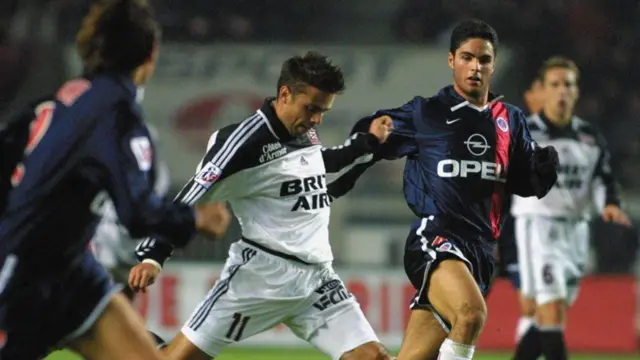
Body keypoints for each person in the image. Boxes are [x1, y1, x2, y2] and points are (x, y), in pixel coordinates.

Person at [129, 51, 395, 360]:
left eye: (323, 111)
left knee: (374, 358)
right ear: (285, 94)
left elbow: (318, 164)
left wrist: (368, 142)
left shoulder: (303, 129)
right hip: (260, 277)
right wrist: (153, 255)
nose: (316, 119)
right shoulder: (243, 143)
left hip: (317, 281)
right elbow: (191, 195)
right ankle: (128, 344)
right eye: (311, 108)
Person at [0, 1, 228, 359]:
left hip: (72, 269)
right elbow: (137, 212)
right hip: (22, 275)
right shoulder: (116, 115)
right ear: (150, 54)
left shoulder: (60, 103)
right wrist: (197, 218)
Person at [326, 19, 559, 360]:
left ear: (493, 64)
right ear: (452, 60)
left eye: (483, 59)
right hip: (435, 236)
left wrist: (543, 172)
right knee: (471, 314)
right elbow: (375, 134)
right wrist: (371, 131)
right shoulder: (427, 113)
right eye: (467, 57)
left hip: (480, 252)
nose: (475, 67)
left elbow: (523, 181)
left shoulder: (510, 119)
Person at [510, 56, 631, 360]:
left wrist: (611, 204)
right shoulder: (525, 133)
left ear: (577, 92)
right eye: (555, 84)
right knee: (551, 310)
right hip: (539, 227)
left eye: (568, 84)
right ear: (543, 90)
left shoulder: (590, 137)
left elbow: (603, 178)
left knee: (550, 313)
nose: (562, 90)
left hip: (577, 231)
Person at [495, 76, 546, 344]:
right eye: (544, 88)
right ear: (530, 96)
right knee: (530, 304)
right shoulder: (515, 133)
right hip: (513, 233)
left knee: (539, 307)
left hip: (549, 236)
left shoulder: (573, 136)